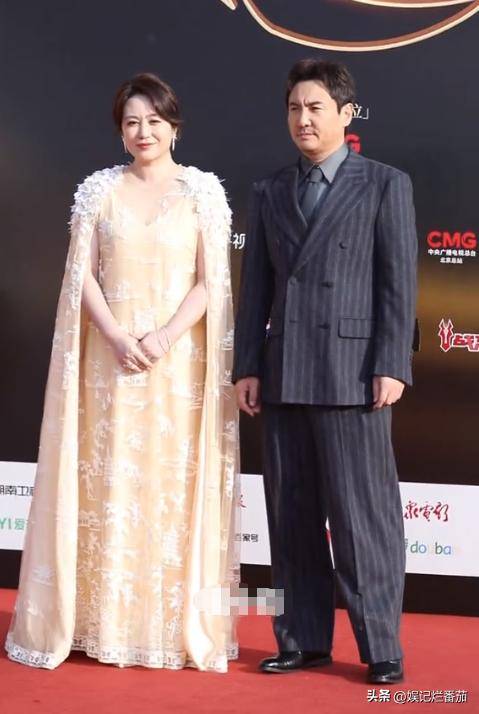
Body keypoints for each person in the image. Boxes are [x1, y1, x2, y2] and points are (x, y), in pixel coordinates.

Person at [6, 73, 239, 672]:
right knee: (107, 485)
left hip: (176, 367)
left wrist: (163, 336)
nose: (143, 132)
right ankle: (95, 620)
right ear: (120, 130)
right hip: (107, 364)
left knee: (168, 486)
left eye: (154, 121)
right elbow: (80, 274)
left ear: (174, 126)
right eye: (132, 122)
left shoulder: (203, 194)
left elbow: (210, 281)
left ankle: (162, 628)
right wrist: (113, 334)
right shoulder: (98, 191)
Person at [232, 59, 417, 684]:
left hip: (353, 375)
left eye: (315, 108)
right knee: (290, 517)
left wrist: (391, 362)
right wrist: (248, 365)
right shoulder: (269, 190)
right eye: (294, 108)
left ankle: (382, 646)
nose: (303, 119)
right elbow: (255, 290)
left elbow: (398, 285)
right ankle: (302, 638)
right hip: (284, 373)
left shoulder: (385, 184)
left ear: (345, 114)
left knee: (365, 519)